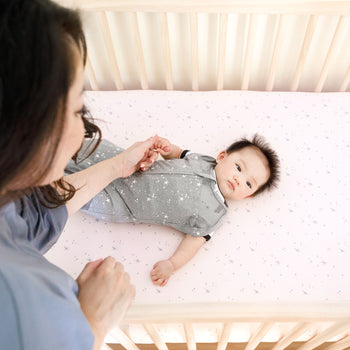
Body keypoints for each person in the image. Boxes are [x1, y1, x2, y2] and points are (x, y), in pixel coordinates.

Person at [0, 1, 159, 349]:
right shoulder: (17, 304)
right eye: (77, 110)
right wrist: (92, 324)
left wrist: (119, 165)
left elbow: (39, 212)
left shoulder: (8, 201)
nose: (85, 129)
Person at [65, 135, 280, 287]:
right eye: (239, 168)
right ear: (222, 156)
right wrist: (166, 147)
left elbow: (193, 243)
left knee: (74, 193)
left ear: (248, 196)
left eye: (248, 183)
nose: (238, 179)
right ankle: (51, 144)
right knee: (91, 149)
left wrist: (172, 264)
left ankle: (45, 183)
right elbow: (177, 153)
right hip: (131, 167)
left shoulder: (216, 213)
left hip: (123, 203)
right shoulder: (203, 160)